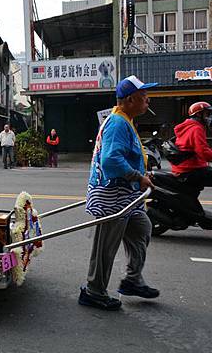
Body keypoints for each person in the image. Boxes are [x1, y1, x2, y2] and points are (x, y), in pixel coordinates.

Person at [80, 75, 159, 311]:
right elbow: (111, 160)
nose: (147, 101)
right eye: (144, 97)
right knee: (106, 246)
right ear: (130, 99)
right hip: (112, 196)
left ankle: (132, 279)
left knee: (142, 228)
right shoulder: (118, 123)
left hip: (128, 197)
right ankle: (93, 291)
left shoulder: (126, 120)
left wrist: (141, 175)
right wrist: (138, 176)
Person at [170, 101, 212, 191]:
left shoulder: (188, 126)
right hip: (190, 170)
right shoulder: (196, 128)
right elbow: (203, 152)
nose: (209, 117)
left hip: (183, 169)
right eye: (207, 114)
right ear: (199, 115)